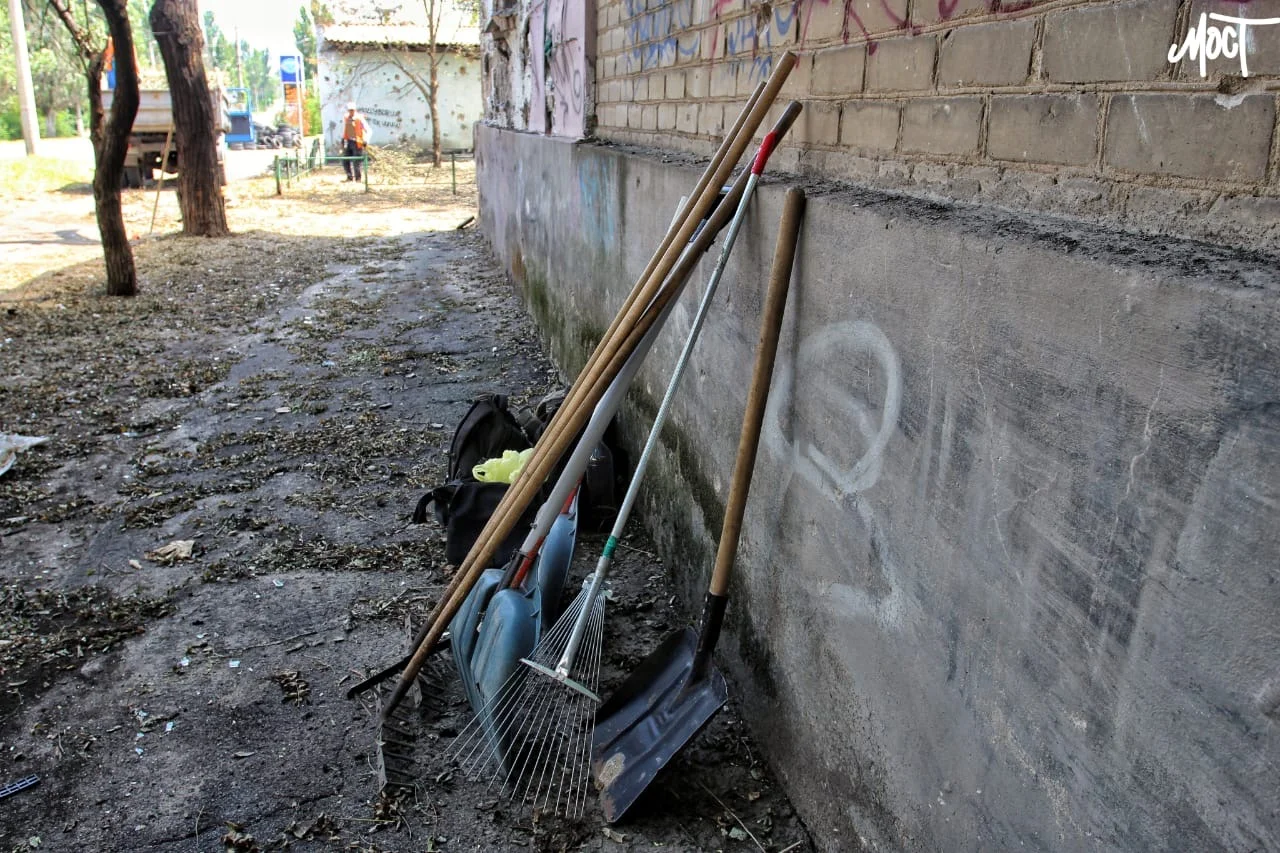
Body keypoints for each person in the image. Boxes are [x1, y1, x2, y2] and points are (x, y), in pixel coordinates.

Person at [341, 102, 367, 182]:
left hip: (357, 142)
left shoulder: (359, 118)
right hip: (349, 141)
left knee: (356, 161)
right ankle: (349, 177)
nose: (351, 112)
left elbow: (365, 129)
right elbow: (346, 129)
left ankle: (358, 178)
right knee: (345, 159)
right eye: (349, 110)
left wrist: (365, 140)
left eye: (352, 110)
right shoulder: (346, 118)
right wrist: (343, 140)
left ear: (355, 110)